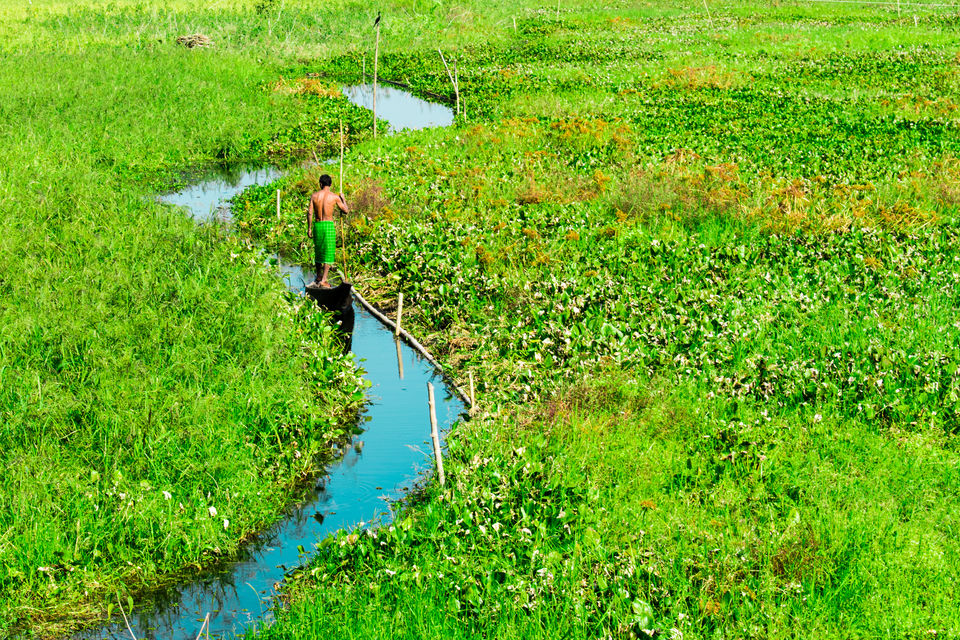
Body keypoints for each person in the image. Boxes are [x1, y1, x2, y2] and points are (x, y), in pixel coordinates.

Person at [306, 174, 349, 288]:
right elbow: (346, 210)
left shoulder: (314, 196)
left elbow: (310, 213)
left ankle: (319, 276)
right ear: (330, 184)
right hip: (328, 225)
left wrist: (309, 228)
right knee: (329, 253)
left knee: (318, 251)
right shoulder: (334, 197)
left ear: (320, 184)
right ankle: (324, 280)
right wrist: (343, 199)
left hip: (318, 225)